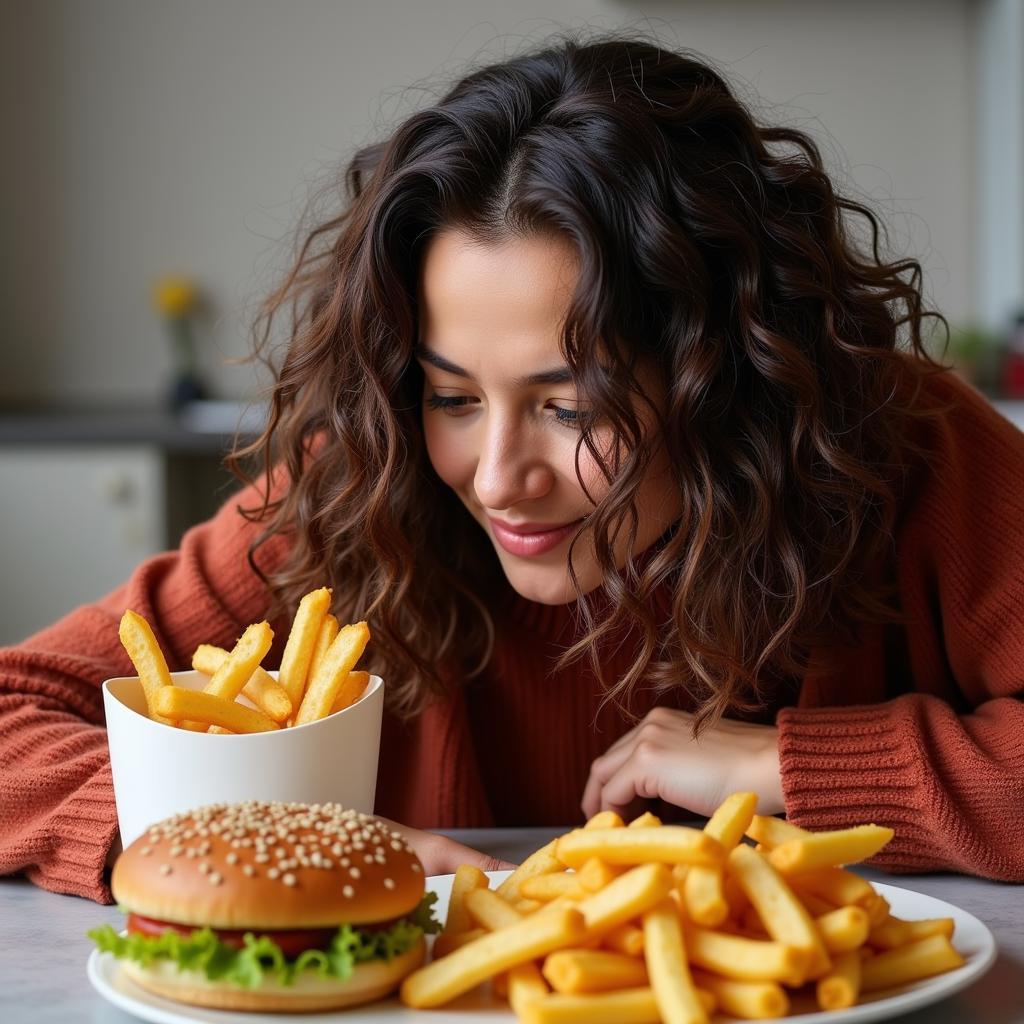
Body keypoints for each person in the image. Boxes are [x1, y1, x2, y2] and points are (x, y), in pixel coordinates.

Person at [2, 32, 1023, 905]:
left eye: (570, 405)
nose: (495, 477)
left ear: (727, 379)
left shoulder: (907, 443)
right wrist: (287, 855)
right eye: (452, 397)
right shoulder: (360, 483)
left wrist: (789, 767)